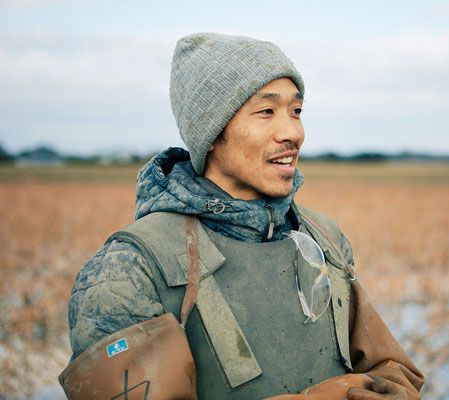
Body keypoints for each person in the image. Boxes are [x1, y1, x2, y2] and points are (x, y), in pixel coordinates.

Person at [67, 32, 424, 399]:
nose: (292, 132)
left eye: (296, 111)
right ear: (211, 131)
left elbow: (394, 372)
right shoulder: (129, 268)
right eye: (266, 111)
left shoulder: (323, 238)